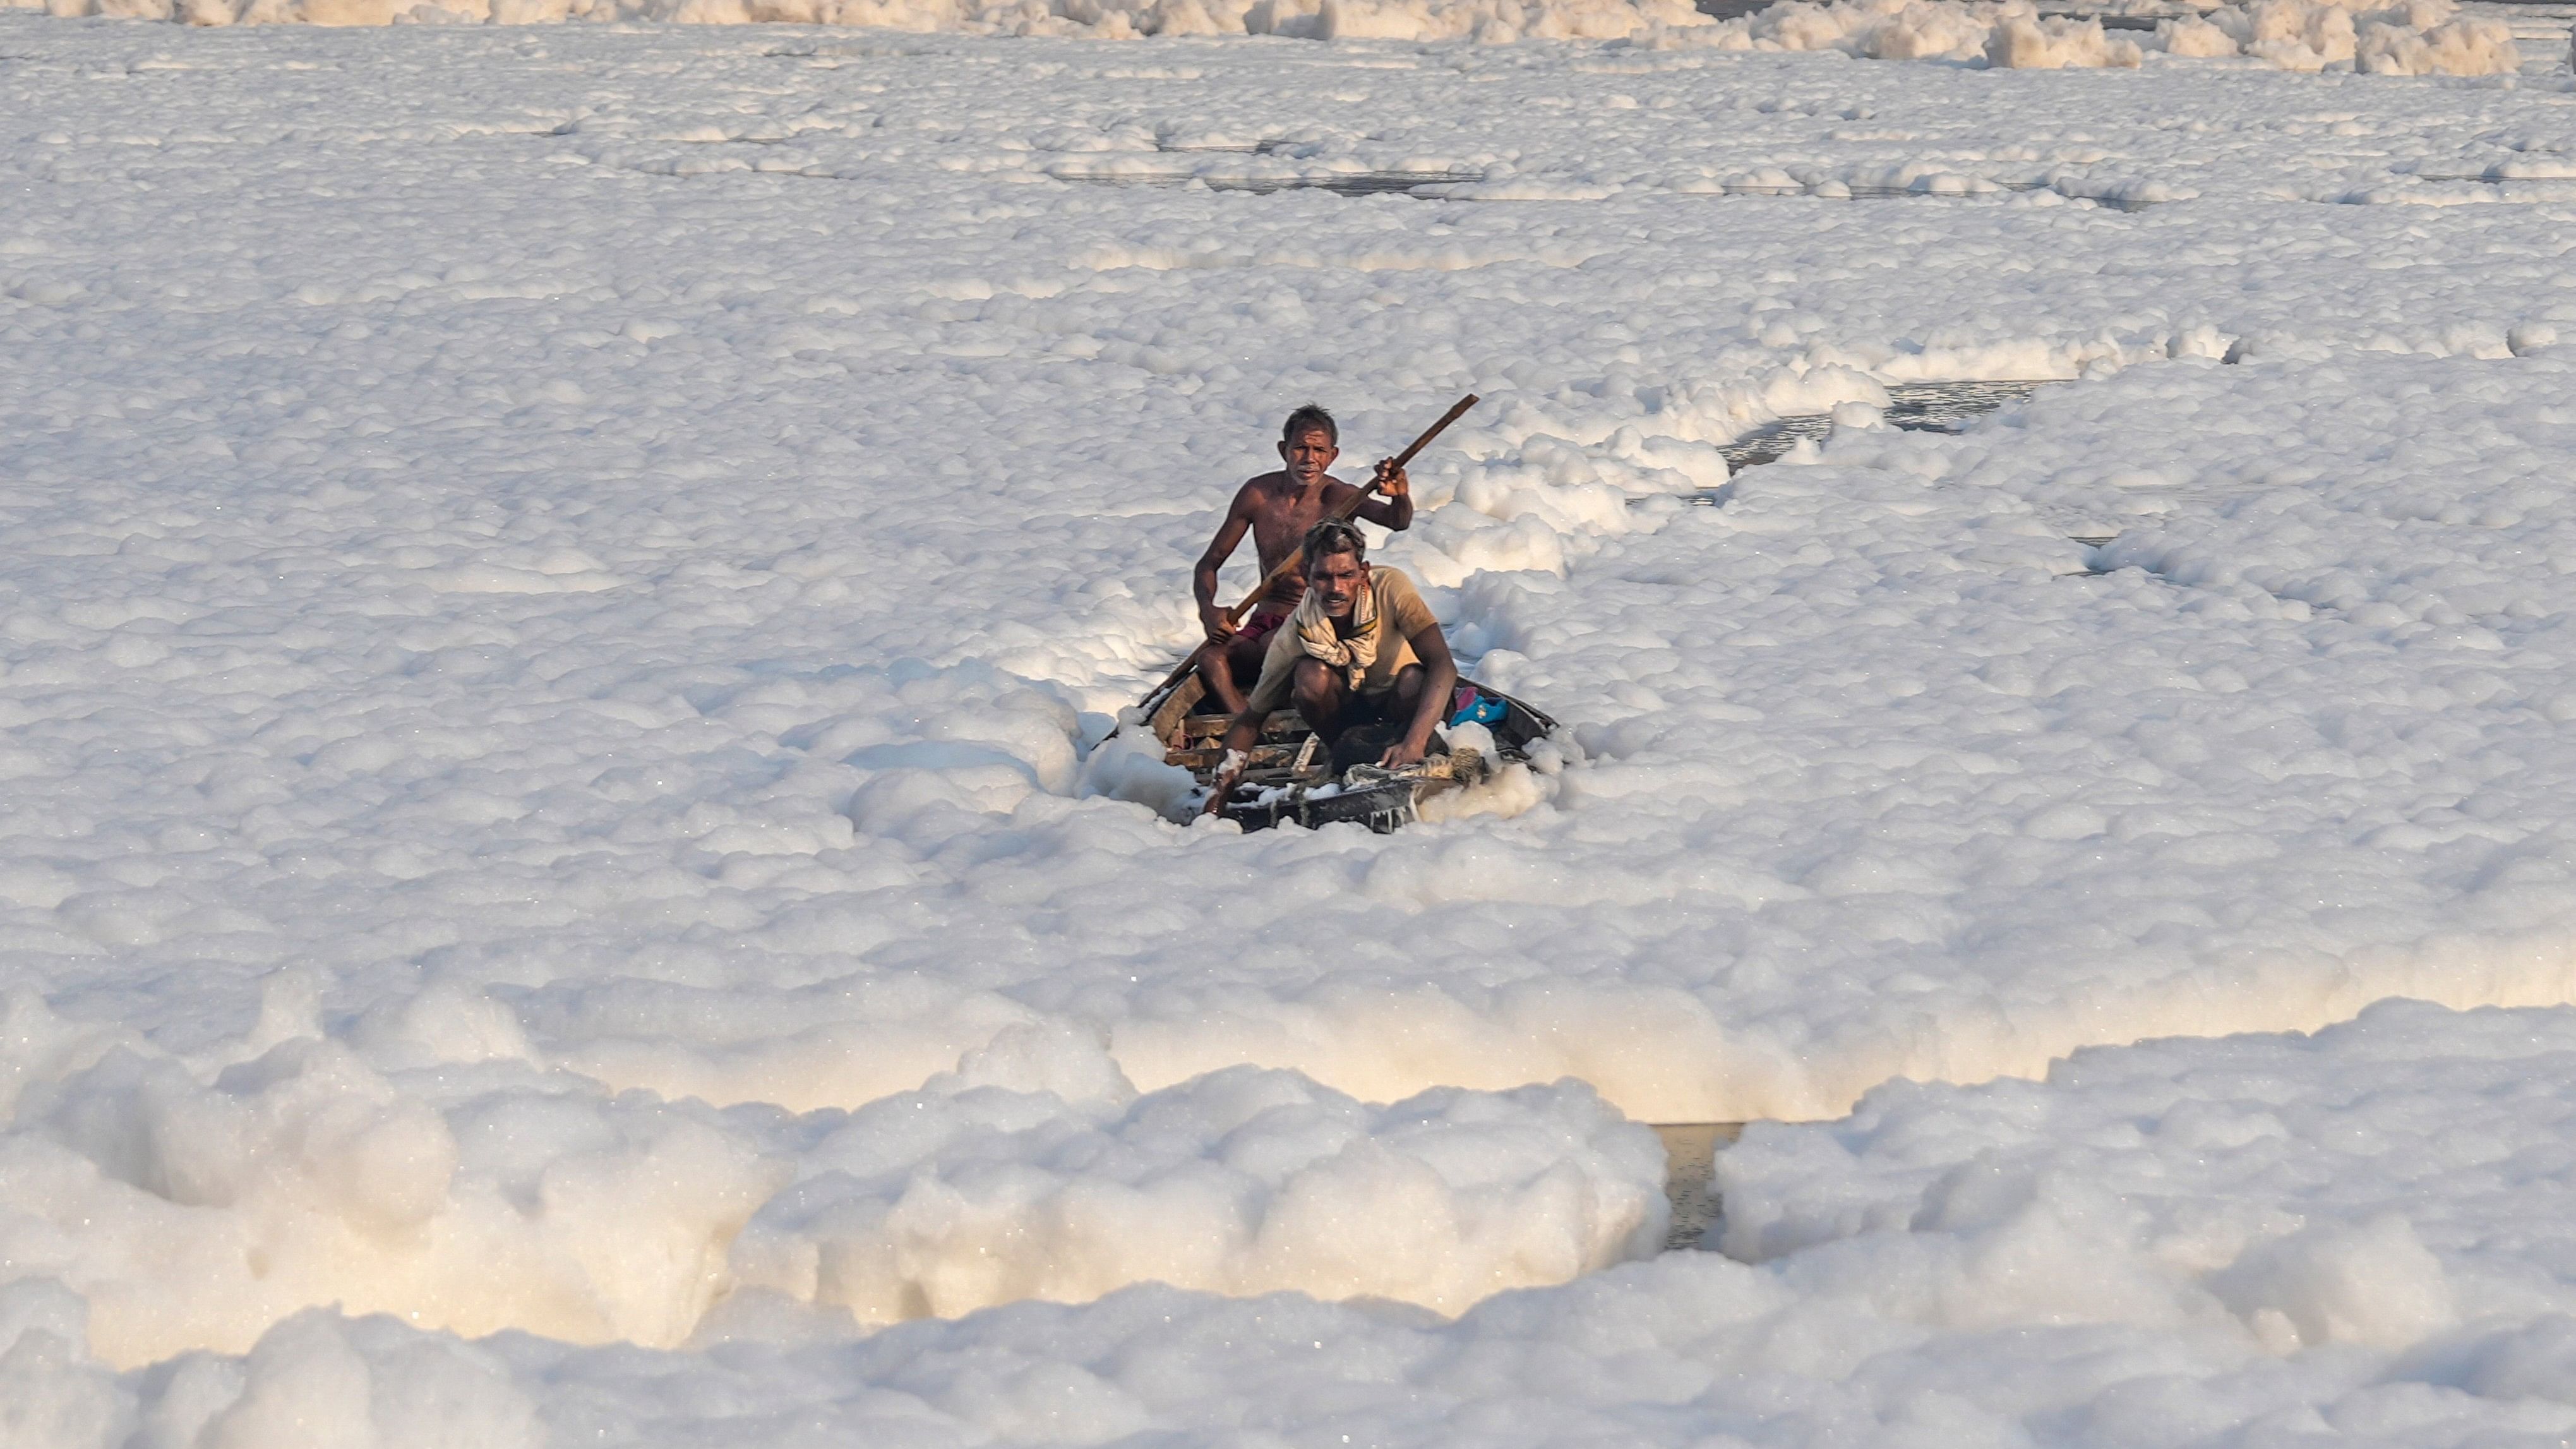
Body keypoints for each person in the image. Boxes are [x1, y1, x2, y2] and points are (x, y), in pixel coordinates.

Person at [1206, 518, 1456, 813]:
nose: (1335, 588)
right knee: (1311, 675)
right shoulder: (1296, 633)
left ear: (1363, 573)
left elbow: (1444, 665)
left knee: (1414, 678)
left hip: (1406, 713)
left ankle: (1412, 753)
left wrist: (1414, 742)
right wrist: (1217, 798)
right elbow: (1251, 720)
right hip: (1351, 726)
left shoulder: (1390, 587)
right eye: (1323, 577)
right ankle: (1347, 759)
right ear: (1305, 575)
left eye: (1346, 575)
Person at [1190, 405, 1413, 715]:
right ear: (1284, 450)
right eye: (1300, 448)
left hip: (1316, 621)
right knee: (1211, 659)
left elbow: (1396, 521)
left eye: (1319, 450)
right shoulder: (1258, 494)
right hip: (1265, 620)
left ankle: (1264, 716)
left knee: (1274, 648)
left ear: (1332, 455)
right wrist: (1209, 611)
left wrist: (1399, 494)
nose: (1309, 459)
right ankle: (1244, 725)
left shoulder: (1339, 496)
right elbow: (1208, 565)